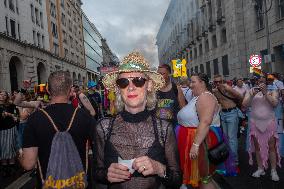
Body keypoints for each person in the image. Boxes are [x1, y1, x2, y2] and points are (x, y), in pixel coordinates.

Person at [95, 51, 181, 189]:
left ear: (149, 85)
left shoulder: (164, 128)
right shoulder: (103, 127)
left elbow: (177, 180)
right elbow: (96, 173)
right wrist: (106, 175)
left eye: (138, 81)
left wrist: (159, 168)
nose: (130, 87)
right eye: (123, 82)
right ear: (118, 89)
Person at [20, 71, 95, 188]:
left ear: (48, 91)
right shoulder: (84, 116)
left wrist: (20, 155)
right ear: (71, 91)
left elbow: (28, 164)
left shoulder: (35, 119)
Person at [176, 73, 230, 189]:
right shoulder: (198, 97)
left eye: (193, 82)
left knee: (204, 178)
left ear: (202, 83)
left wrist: (195, 145)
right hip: (196, 140)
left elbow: (205, 122)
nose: (190, 85)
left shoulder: (205, 96)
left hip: (200, 142)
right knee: (204, 178)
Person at [242, 76, 281, 181]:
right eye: (258, 82)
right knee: (257, 147)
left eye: (263, 82)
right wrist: (251, 95)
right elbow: (244, 105)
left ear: (267, 83)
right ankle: (260, 168)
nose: (260, 84)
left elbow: (274, 103)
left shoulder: (273, 91)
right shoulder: (250, 91)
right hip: (255, 123)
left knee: (271, 147)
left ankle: (273, 170)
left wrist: (265, 93)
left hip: (269, 123)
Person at [212, 74, 243, 165]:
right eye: (216, 82)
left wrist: (237, 106)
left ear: (223, 81)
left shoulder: (227, 88)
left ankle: (234, 159)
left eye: (220, 81)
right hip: (223, 114)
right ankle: (227, 157)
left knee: (232, 137)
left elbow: (240, 97)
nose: (218, 83)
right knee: (225, 137)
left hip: (232, 113)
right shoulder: (215, 91)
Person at [156, 64, 186, 128]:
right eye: (158, 74)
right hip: (159, 128)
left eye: (163, 74)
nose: (159, 76)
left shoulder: (176, 88)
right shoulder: (153, 89)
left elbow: (183, 109)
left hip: (174, 127)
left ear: (169, 74)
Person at [0, 90, 19, 177]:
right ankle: (4, 167)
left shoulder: (10, 105)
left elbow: (15, 113)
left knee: (10, 147)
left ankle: (12, 167)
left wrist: (13, 116)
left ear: (7, 97)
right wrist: (6, 114)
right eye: (1, 95)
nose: (2, 96)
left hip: (10, 128)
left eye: (4, 95)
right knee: (2, 149)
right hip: (1, 129)